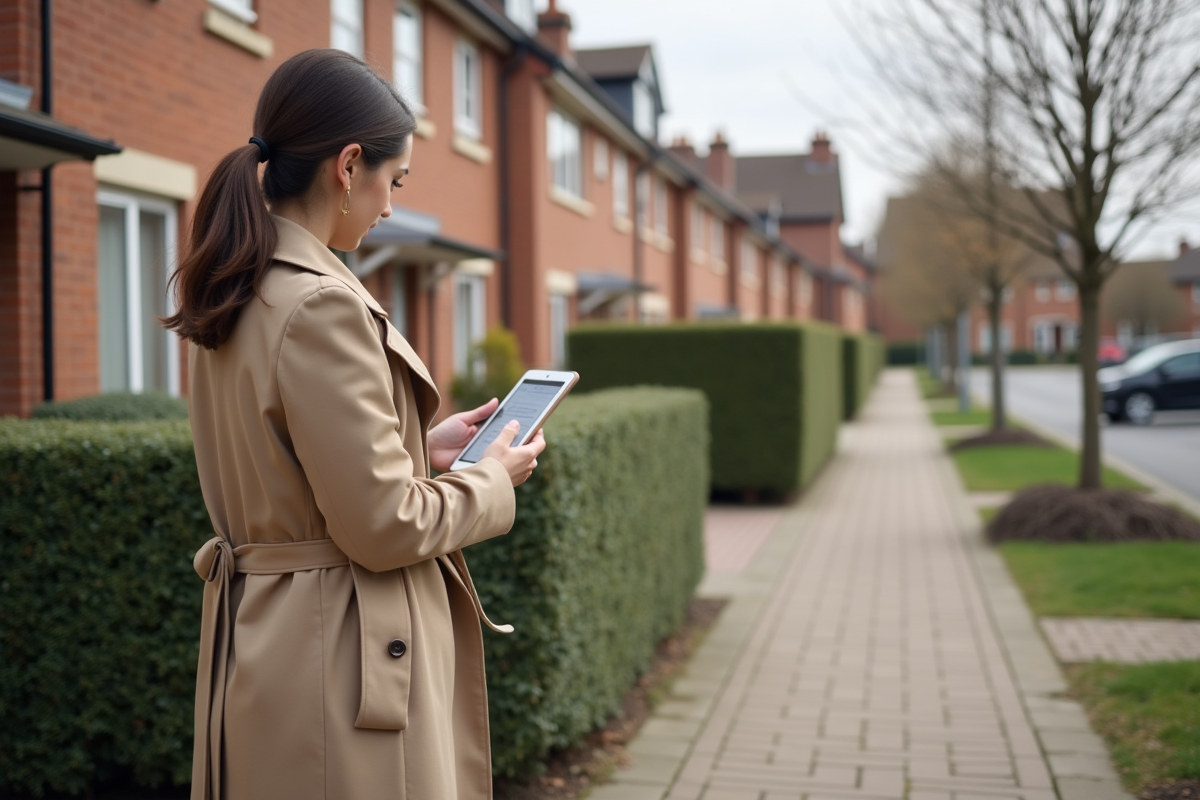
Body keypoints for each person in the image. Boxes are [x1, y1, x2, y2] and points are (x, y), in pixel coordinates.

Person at [163, 49, 544, 800]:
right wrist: (489, 481)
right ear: (347, 166)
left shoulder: (241, 285)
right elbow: (382, 524)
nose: (391, 205)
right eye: (392, 180)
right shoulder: (320, 305)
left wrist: (416, 450)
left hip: (274, 645)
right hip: (338, 660)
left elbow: (293, 465)